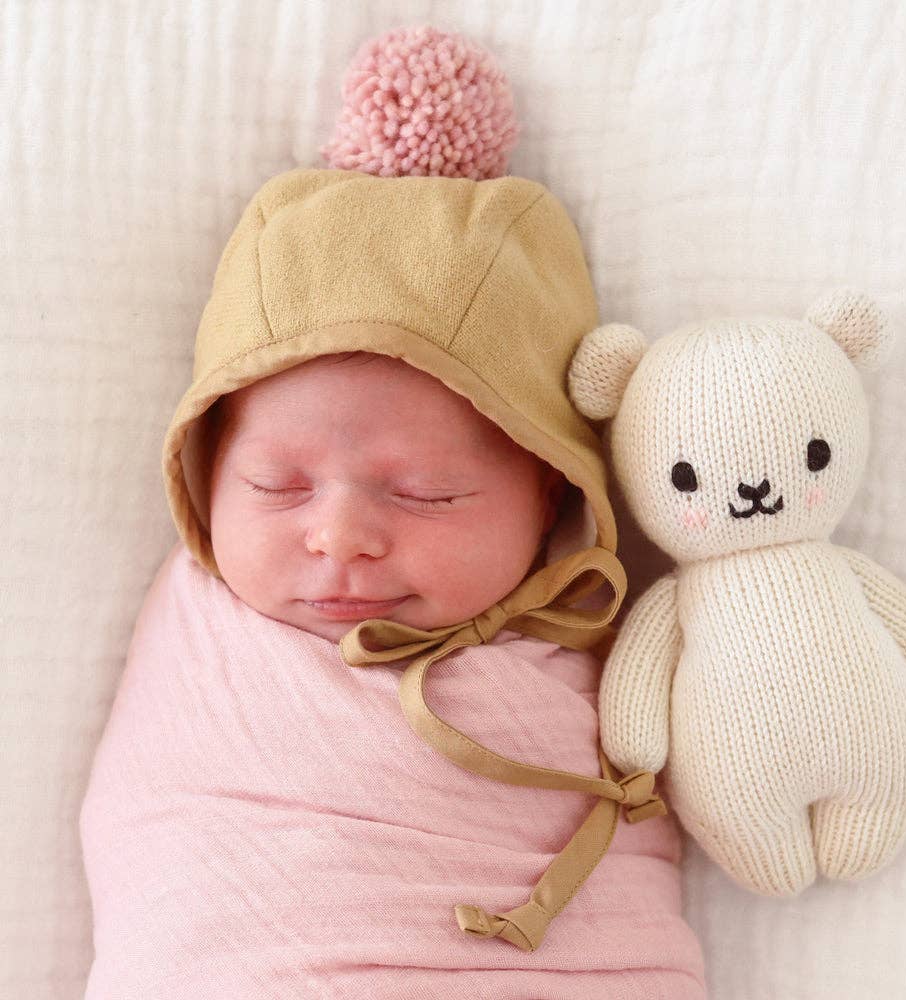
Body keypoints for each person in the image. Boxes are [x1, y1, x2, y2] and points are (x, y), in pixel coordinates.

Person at [79, 26, 707, 997]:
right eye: (276, 486)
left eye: (423, 492)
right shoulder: (205, 638)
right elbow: (165, 840)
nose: (338, 537)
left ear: (550, 488)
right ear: (203, 468)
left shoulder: (599, 638)